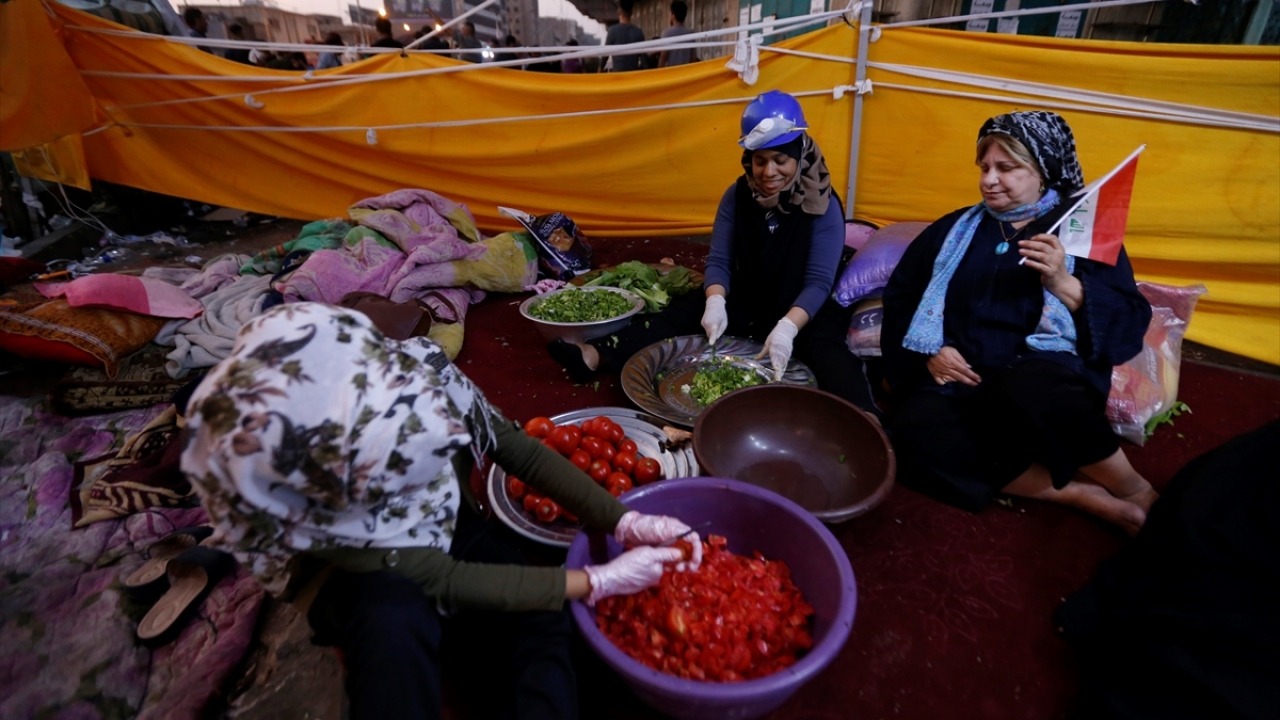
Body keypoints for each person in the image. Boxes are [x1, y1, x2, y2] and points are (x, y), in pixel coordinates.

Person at [181, 303, 702, 719]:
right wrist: (594, 581)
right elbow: (436, 575)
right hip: (354, 571)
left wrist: (622, 518)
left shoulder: (415, 372)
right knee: (394, 628)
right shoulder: (284, 478)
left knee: (543, 621)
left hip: (448, 522)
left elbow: (515, 449)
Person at [880, 111, 1157, 534]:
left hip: (1040, 376)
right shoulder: (955, 228)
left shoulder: (1079, 231)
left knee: (1032, 388)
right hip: (962, 379)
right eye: (984, 168)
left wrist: (1064, 282)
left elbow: (1128, 321)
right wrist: (931, 351)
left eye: (1006, 168)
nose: (989, 180)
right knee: (910, 431)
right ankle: (1076, 494)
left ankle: (1133, 488)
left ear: (1042, 172)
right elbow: (903, 295)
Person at [546, 90, 882, 420]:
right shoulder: (737, 196)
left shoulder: (823, 205)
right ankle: (592, 355)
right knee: (681, 314)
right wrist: (716, 301)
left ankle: (867, 418)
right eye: (760, 161)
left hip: (805, 308)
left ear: (799, 155)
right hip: (751, 295)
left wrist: (787, 328)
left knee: (826, 350)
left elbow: (819, 281)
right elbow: (719, 260)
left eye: (781, 160)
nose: (769, 172)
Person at [601, 0, 645, 72]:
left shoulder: (612, 31)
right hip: (633, 75)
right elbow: (644, 59)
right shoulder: (638, 32)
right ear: (631, 13)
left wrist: (599, 70)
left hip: (618, 75)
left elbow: (605, 55)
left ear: (618, 12)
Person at [658, 0, 697, 68]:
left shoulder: (667, 33)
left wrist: (658, 72)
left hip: (672, 72)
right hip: (686, 72)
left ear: (673, 15)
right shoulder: (690, 34)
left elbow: (663, 57)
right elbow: (693, 58)